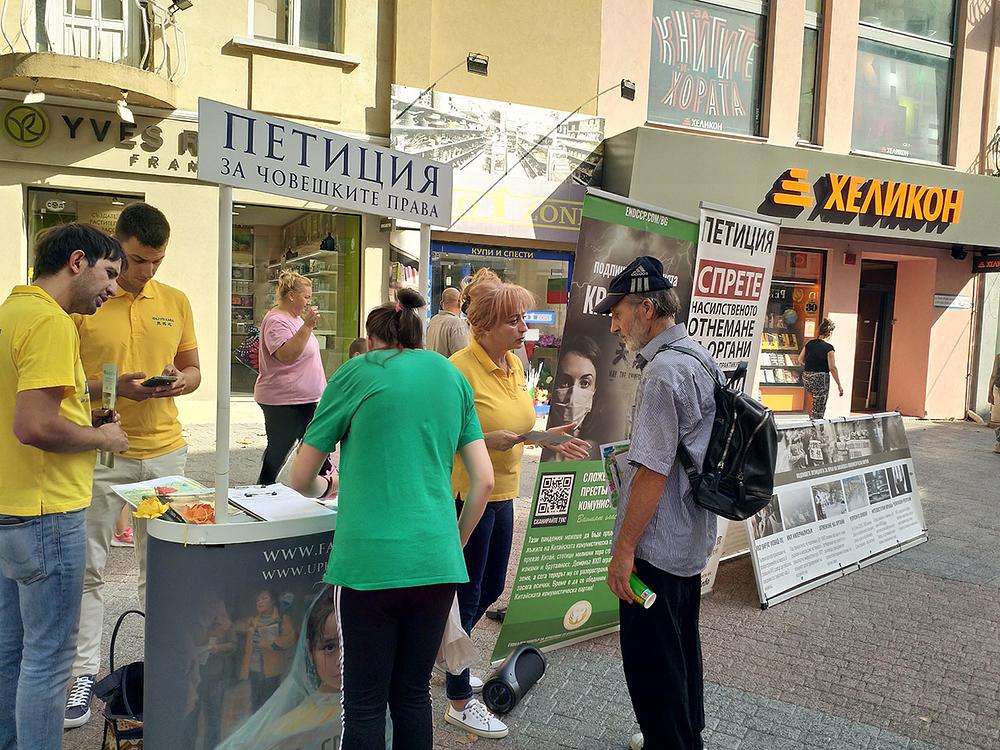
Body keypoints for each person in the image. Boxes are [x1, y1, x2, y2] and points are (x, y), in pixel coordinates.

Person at [289, 288, 495, 750]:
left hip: (369, 566)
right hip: (436, 563)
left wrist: (328, 487)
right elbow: (482, 481)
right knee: (412, 696)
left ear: (374, 336)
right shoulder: (450, 374)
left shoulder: (357, 373)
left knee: (362, 704)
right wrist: (454, 543)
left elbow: (300, 475)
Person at [67, 202, 201, 729]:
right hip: (103, 452)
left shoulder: (176, 300)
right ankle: (82, 674)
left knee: (167, 568)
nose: (145, 272)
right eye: (136, 259)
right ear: (115, 246)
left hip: (166, 453)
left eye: (156, 262)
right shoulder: (86, 299)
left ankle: (168, 670)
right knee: (87, 569)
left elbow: (194, 370)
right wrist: (111, 387)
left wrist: (179, 381)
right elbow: (63, 382)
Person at [0, 224, 128, 750]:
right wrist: (101, 434)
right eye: (110, 273)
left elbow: (33, 408)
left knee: (12, 652)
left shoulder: (12, 311)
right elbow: (34, 426)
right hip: (47, 512)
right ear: (78, 260)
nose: (114, 289)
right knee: (50, 659)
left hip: (11, 507)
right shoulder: (52, 323)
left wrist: (83, 413)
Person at [445, 270, 589, 739]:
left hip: (504, 494)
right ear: (483, 325)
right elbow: (441, 438)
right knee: (467, 597)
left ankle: (450, 656)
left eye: (523, 319)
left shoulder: (513, 365)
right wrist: (486, 439)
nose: (523, 328)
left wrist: (541, 437)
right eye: (513, 321)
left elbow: (518, 425)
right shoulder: (458, 369)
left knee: (489, 590)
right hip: (470, 496)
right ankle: (458, 696)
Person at [597, 256, 722, 750]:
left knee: (652, 663)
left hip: (657, 547)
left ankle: (671, 740)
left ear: (646, 309)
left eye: (619, 313)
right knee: (680, 648)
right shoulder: (697, 357)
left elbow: (652, 472)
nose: (614, 323)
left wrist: (624, 551)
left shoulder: (663, 375)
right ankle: (685, 735)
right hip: (689, 538)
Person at [217, 586, 392, 750]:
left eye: (355, 645)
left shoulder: (387, 708)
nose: (343, 660)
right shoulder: (288, 729)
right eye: (330, 647)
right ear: (310, 651)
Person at [254, 270, 328, 485]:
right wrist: (307, 326)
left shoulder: (294, 319)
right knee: (281, 449)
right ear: (291, 296)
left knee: (314, 444)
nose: (309, 301)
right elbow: (286, 355)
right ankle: (263, 488)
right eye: (306, 296)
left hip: (303, 397)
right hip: (285, 400)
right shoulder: (277, 320)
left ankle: (322, 486)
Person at [546, 335, 609, 460]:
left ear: (594, 392)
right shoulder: (541, 442)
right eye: (564, 382)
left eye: (585, 383)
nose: (573, 395)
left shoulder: (597, 453)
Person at [239, 589, 296, 711]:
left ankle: (271, 729)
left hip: (272, 670)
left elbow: (291, 638)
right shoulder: (252, 621)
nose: (260, 602)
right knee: (255, 703)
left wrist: (271, 644)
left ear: (273, 601)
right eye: (258, 600)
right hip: (254, 669)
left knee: (270, 704)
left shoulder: (282, 619)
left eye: (264, 598)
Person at [797, 318, 843, 420]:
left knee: (814, 401)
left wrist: (810, 366)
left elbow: (800, 359)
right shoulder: (829, 348)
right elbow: (833, 368)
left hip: (807, 378)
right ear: (830, 333)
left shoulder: (809, 343)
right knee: (819, 406)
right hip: (820, 379)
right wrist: (839, 385)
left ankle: (812, 419)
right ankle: (816, 426)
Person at [427, 287, 469, 358]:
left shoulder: (433, 320)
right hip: (448, 368)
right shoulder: (457, 323)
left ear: (441, 303)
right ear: (459, 302)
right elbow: (462, 356)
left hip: (432, 367)